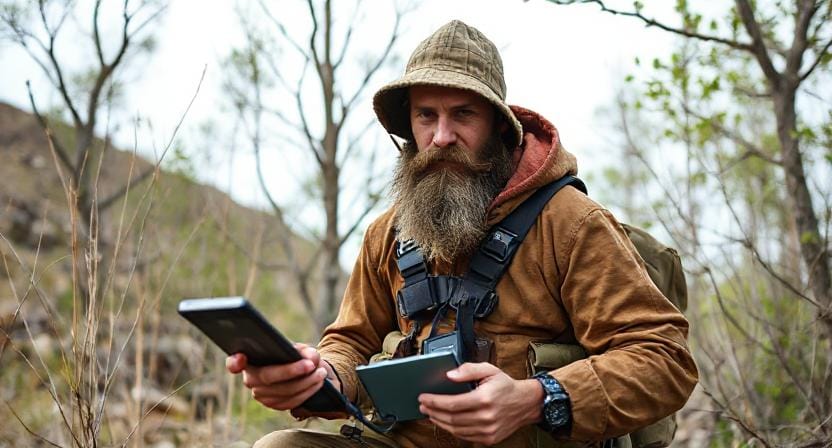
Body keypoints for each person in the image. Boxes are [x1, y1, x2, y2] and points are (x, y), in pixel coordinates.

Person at [227, 20, 698, 448]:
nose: (442, 135)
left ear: (498, 124)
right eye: (426, 115)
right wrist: (320, 375)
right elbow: (351, 342)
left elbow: (664, 359)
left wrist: (535, 397)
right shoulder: (387, 232)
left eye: (463, 114)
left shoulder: (571, 224)